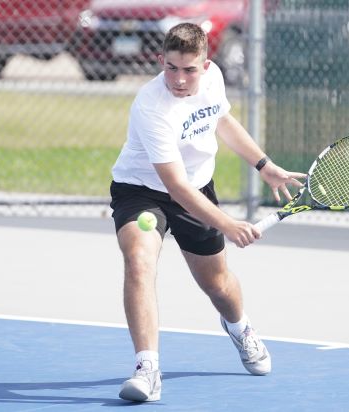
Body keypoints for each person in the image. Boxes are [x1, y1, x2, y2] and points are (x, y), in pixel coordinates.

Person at [110, 22, 305, 402]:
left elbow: (222, 120)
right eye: (171, 68)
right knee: (139, 260)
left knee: (217, 285)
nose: (179, 79)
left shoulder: (213, 79)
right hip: (142, 192)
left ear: (205, 64)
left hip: (197, 188)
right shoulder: (152, 106)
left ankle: (240, 327)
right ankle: (147, 368)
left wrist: (265, 166)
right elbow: (176, 187)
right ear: (161, 61)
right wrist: (229, 224)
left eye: (189, 69)